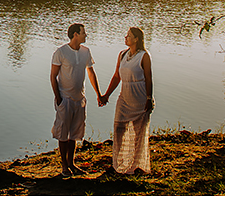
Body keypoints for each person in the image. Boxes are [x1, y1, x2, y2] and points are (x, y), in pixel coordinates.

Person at [50, 23, 104, 177]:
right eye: (83, 33)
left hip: (79, 98)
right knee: (62, 133)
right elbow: (53, 76)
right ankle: (64, 167)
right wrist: (59, 98)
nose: (86, 35)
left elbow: (91, 74)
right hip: (65, 99)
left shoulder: (86, 52)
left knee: (74, 134)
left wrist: (98, 94)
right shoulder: (60, 52)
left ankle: (72, 164)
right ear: (75, 35)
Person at [100, 26, 153, 174]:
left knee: (138, 132)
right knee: (118, 128)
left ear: (136, 39)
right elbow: (117, 76)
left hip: (139, 97)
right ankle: (117, 164)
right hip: (124, 98)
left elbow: (149, 78)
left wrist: (149, 98)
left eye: (128, 36)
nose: (125, 37)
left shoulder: (144, 56)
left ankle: (136, 166)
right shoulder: (122, 54)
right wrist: (106, 95)